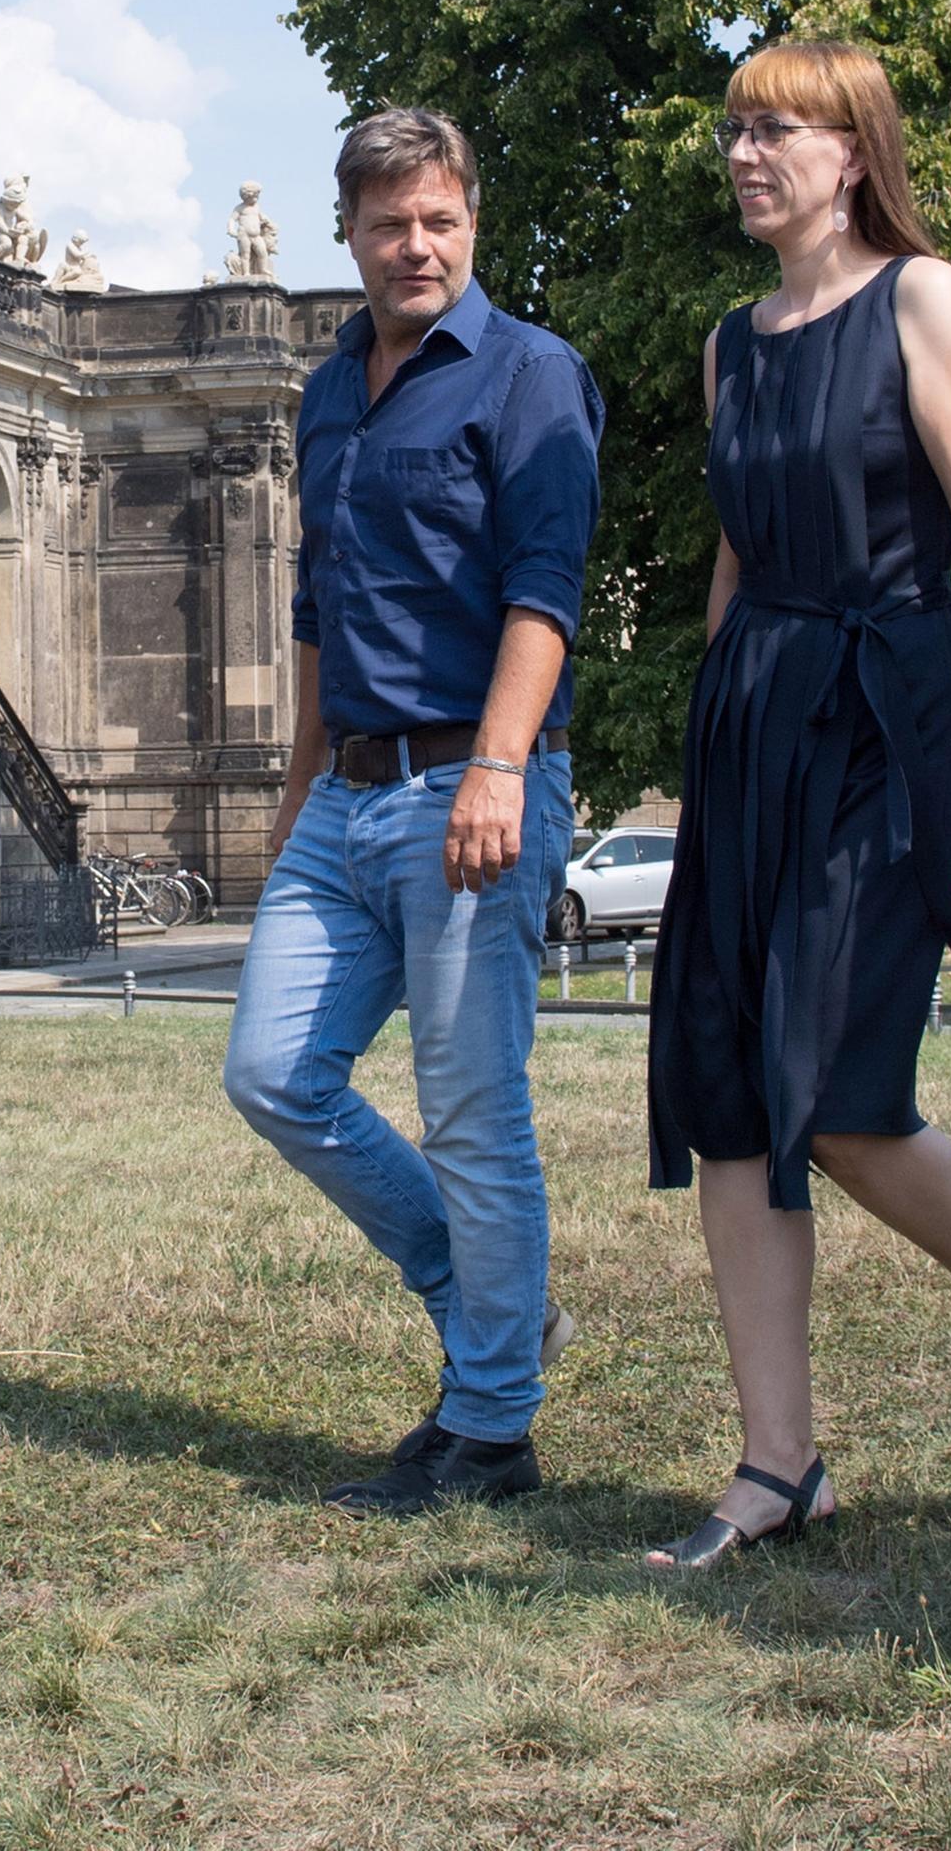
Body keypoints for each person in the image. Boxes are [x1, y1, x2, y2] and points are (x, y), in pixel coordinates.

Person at [641, 42, 951, 1570]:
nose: (747, 152)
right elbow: (738, 549)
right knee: (731, 1093)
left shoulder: (922, 298)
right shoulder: (731, 341)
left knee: (834, 1086)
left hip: (887, 709)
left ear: (853, 150)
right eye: (736, 129)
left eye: (780, 130)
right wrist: (715, 717)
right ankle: (777, 1466)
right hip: (754, 718)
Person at [220, 108, 605, 1517]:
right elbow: (317, 600)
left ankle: (492, 1427)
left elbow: (544, 589)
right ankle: (489, 1296)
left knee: (472, 1111)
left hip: (472, 783)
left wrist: (501, 767)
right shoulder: (330, 392)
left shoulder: (529, 376)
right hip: (349, 792)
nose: (417, 245)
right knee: (273, 1073)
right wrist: (298, 777)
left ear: (474, 222)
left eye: (440, 218)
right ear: (351, 235)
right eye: (390, 224)